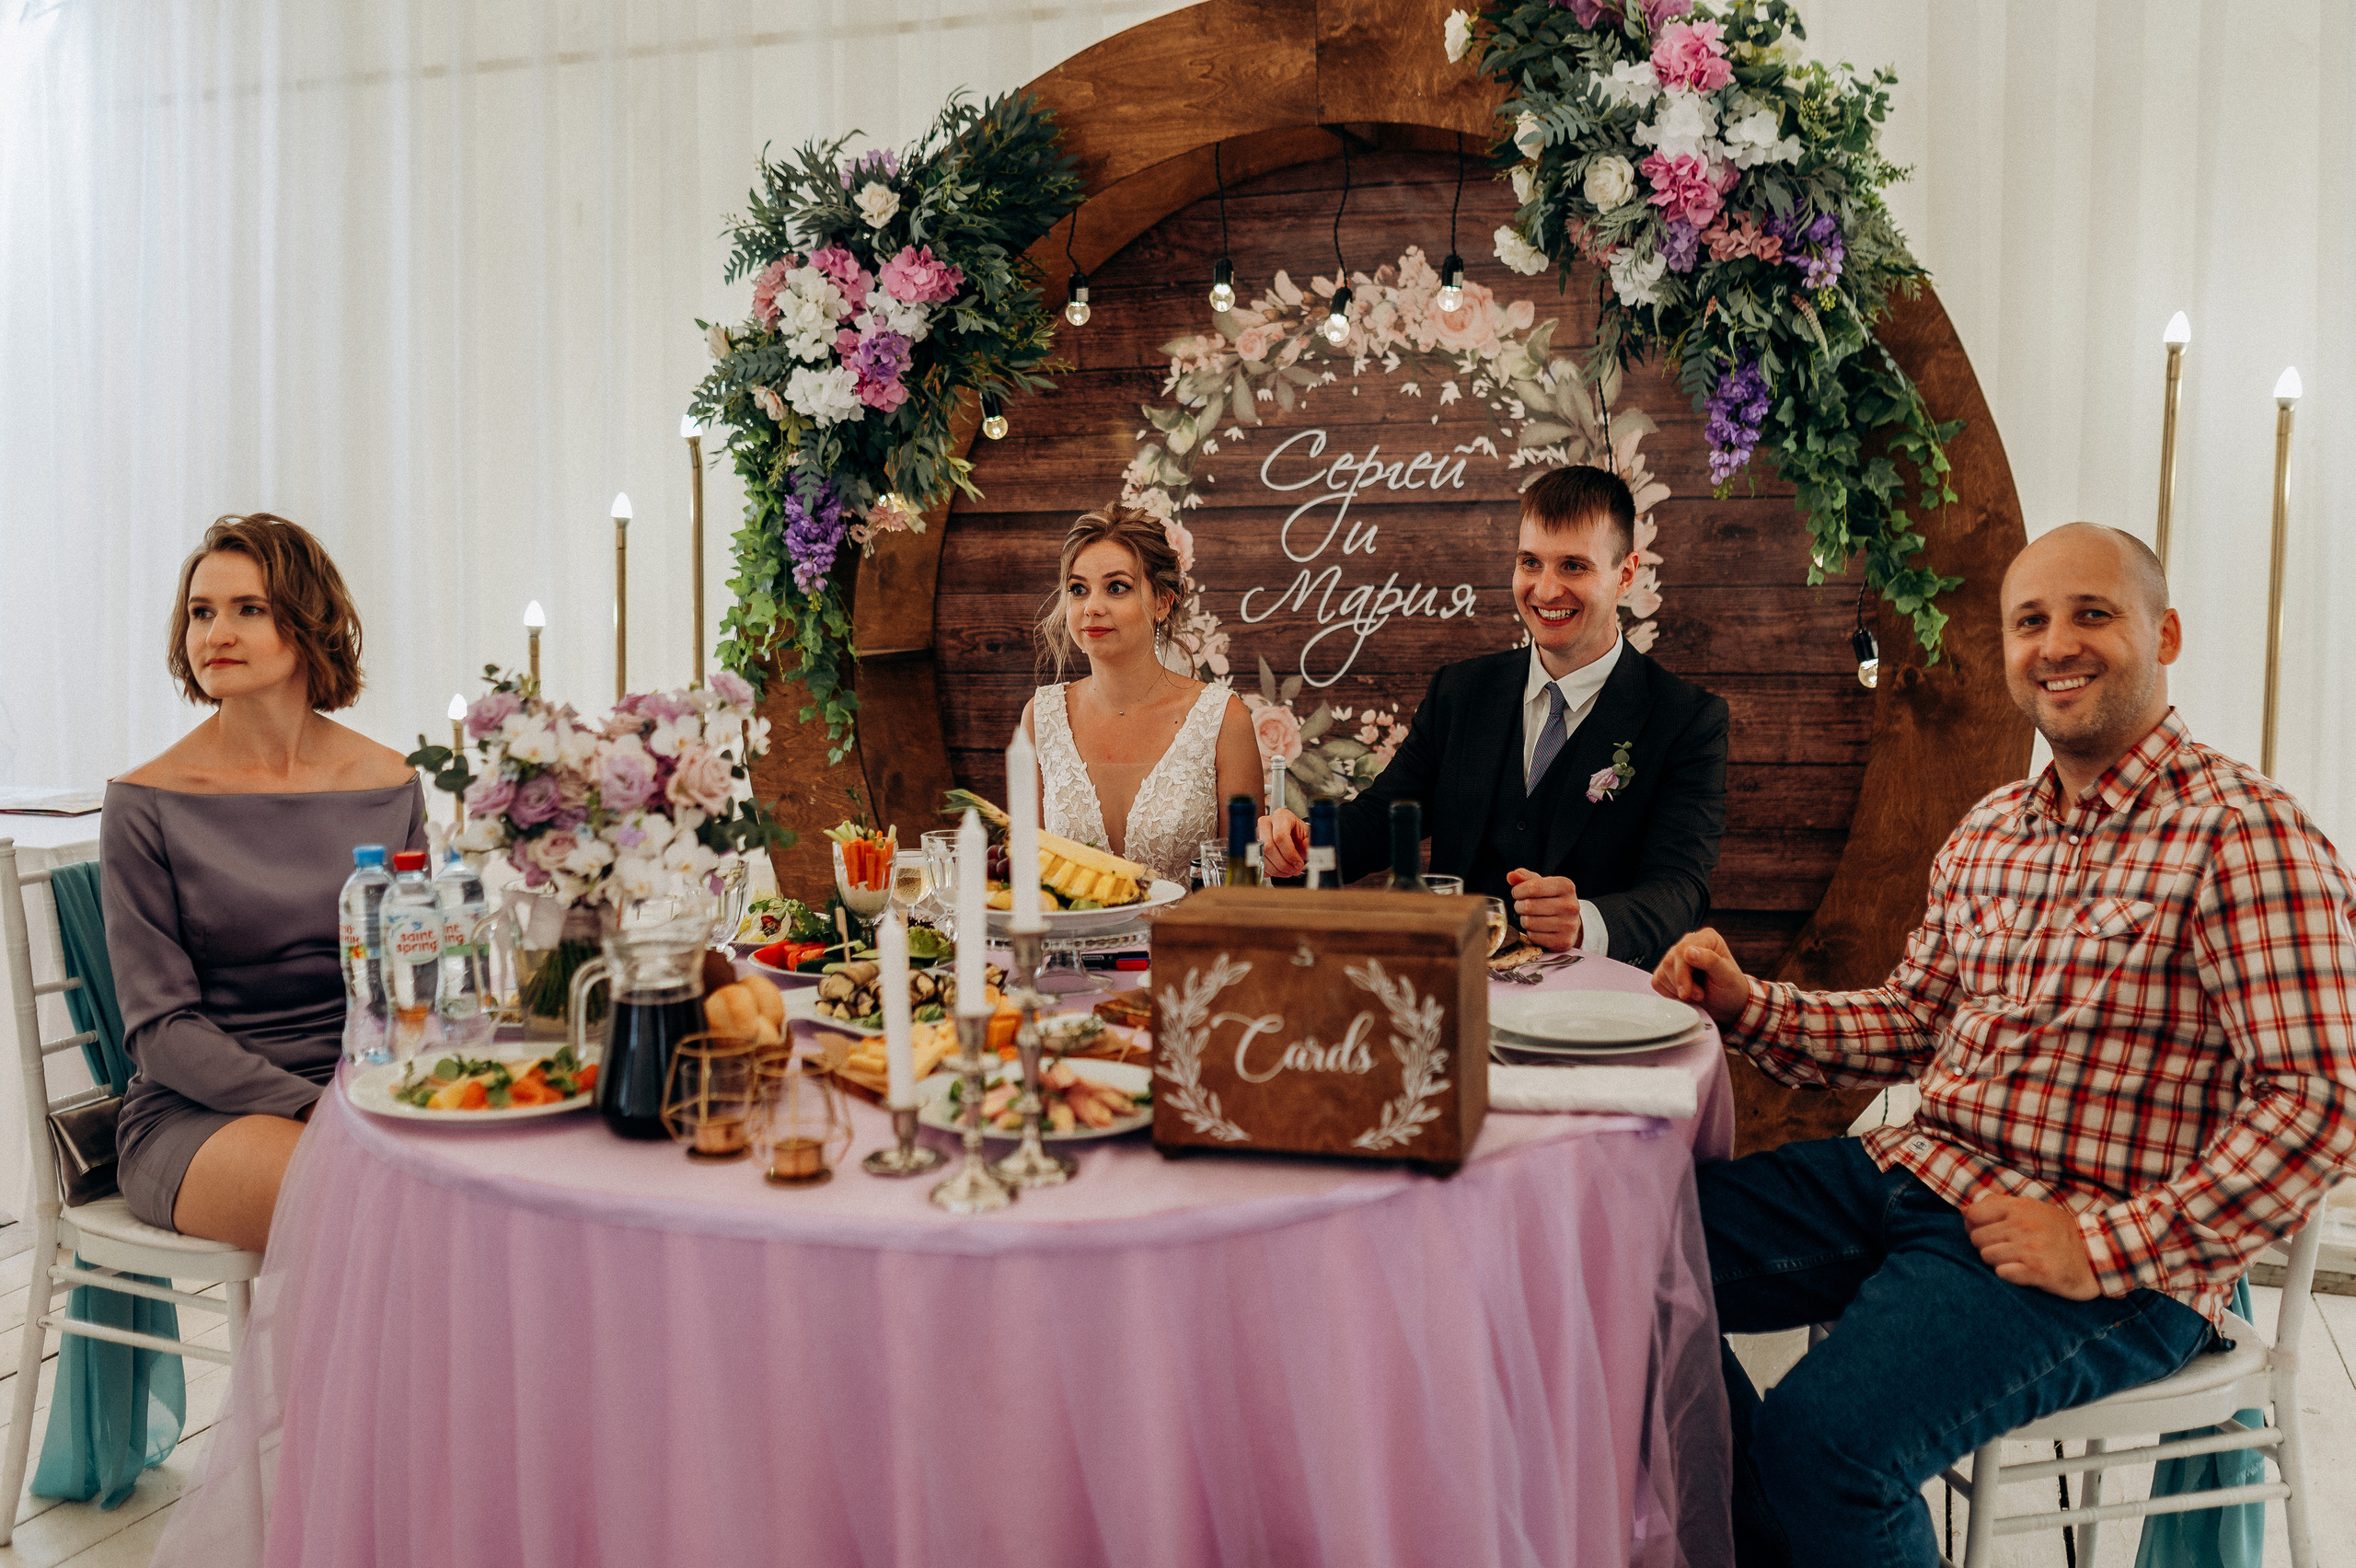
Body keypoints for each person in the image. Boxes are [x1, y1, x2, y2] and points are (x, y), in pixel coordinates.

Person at [1653, 523, 2356, 1566]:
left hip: (2102, 1254)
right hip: (1918, 1177)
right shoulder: (1991, 830)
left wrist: (2104, 1244)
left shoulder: (2243, 834)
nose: (2055, 643)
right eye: (2029, 621)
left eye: (2091, 614)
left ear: (2163, 635)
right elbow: (1911, 1020)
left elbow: (2319, 1104)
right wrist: (1752, 1005)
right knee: (1620, 1260)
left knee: (1827, 1444)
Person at [1260, 464, 1727, 969]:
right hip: (1454, 988)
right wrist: (1300, 844)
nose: (1545, 591)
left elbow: (1681, 888)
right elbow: (1381, 820)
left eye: (1573, 566)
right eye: (1531, 562)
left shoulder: (1688, 720)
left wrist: (1586, 922)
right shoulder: (1459, 692)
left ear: (1626, 575)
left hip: (1598, 1013)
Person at [106, 514, 422, 1252]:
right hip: (200, 1115)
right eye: (201, 612)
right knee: (373, 1202)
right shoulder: (145, 802)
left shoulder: (389, 781)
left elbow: (416, 972)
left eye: (249, 609)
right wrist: (314, 1108)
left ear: (312, 622)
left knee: (499, 1190)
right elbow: (159, 1030)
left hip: (367, 1087)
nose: (217, 632)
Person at [1018, 504, 1262, 885]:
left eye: (1117, 587)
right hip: (1066, 945)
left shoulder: (1223, 720)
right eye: (1078, 589)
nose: (1092, 608)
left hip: (1184, 944)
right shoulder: (1041, 717)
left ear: (1162, 602)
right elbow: (1024, 880)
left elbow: (1244, 886)